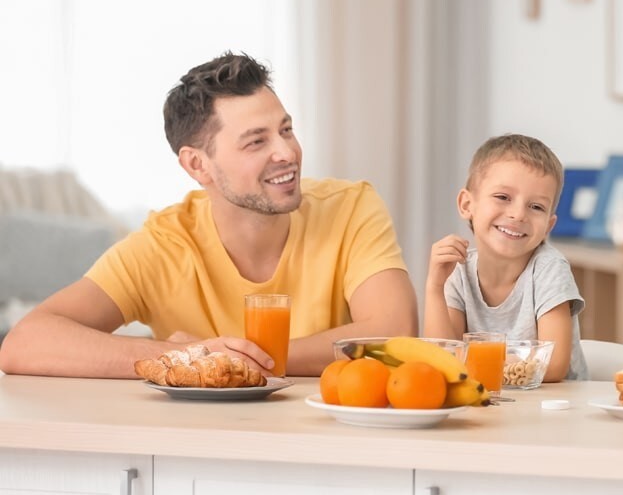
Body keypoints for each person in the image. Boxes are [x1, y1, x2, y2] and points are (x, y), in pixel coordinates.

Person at [0, 52, 417, 378]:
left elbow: (393, 331)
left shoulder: (351, 207)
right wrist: (186, 355)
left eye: (286, 130)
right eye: (256, 142)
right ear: (198, 166)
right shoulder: (164, 244)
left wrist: (235, 359)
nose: (287, 152)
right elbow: (25, 343)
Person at [423, 133, 587, 381]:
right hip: (488, 408)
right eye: (503, 197)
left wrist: (469, 362)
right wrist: (435, 287)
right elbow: (441, 359)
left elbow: (552, 366)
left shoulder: (549, 268)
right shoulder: (459, 270)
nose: (518, 214)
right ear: (467, 205)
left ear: (548, 226)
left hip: (554, 411)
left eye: (536, 207)